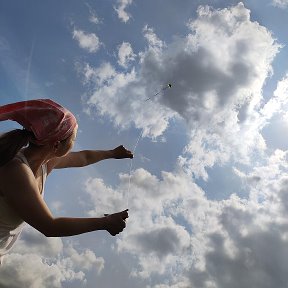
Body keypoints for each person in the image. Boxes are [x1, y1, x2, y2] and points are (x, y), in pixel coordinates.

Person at [0, 99, 132, 265]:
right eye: (73, 139)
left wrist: (113, 153)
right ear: (56, 144)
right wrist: (105, 223)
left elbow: (84, 157)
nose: (74, 144)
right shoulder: (16, 170)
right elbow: (50, 226)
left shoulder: (45, 163)